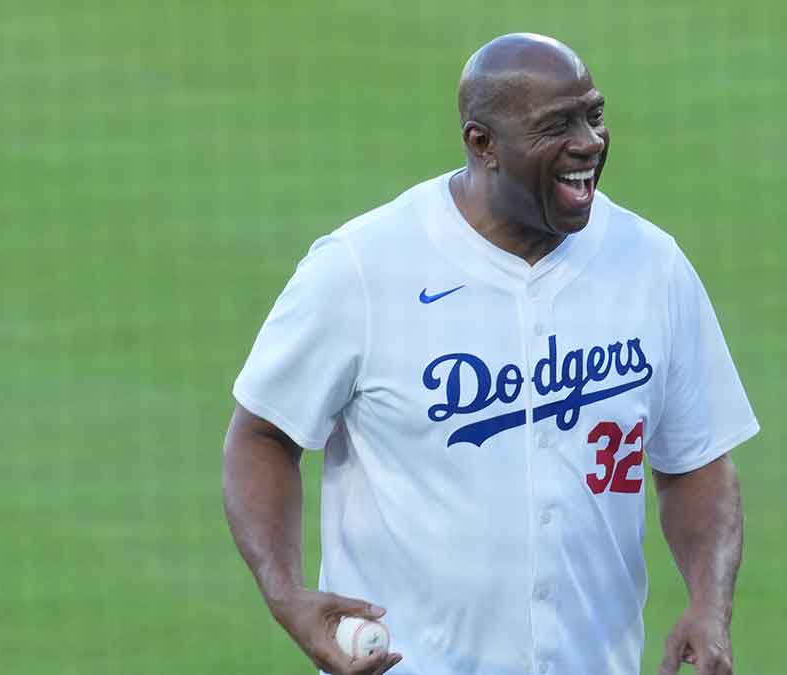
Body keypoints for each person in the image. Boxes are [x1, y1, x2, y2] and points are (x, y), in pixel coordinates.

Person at [222, 32, 759, 675]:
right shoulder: (362, 269)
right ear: (484, 145)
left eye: (593, 115)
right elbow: (260, 434)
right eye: (556, 126)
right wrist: (286, 593)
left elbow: (695, 460)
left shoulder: (651, 266)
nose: (588, 142)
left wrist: (710, 602)